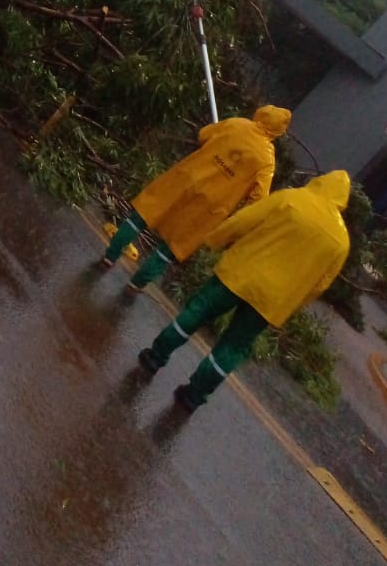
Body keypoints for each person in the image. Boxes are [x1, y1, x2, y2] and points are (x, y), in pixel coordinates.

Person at [138, 170, 351, 411]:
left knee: (199, 310)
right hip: (272, 301)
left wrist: (214, 239)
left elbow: (246, 219)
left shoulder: (293, 198)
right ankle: (193, 396)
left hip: (240, 273)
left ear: (321, 182)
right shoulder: (341, 242)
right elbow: (320, 285)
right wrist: (290, 303)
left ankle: (155, 357)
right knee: (235, 345)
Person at [101, 106, 291, 288]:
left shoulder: (236, 123)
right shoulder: (267, 161)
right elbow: (258, 198)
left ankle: (110, 256)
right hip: (211, 205)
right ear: (277, 133)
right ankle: (137, 283)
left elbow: (203, 135)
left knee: (144, 215)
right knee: (173, 246)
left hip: (186, 179)